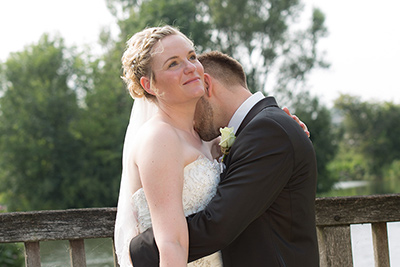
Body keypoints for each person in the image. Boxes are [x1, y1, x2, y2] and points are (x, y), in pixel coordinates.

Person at [129, 51, 319, 266]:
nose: (191, 120)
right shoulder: (262, 128)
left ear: (207, 85)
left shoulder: (268, 131)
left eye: (192, 104)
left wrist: (136, 249)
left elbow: (217, 226)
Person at [114, 25, 225, 267]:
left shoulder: (199, 136)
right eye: (173, 64)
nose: (191, 68)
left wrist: (281, 128)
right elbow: (171, 242)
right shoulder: (159, 138)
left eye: (192, 57)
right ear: (149, 85)